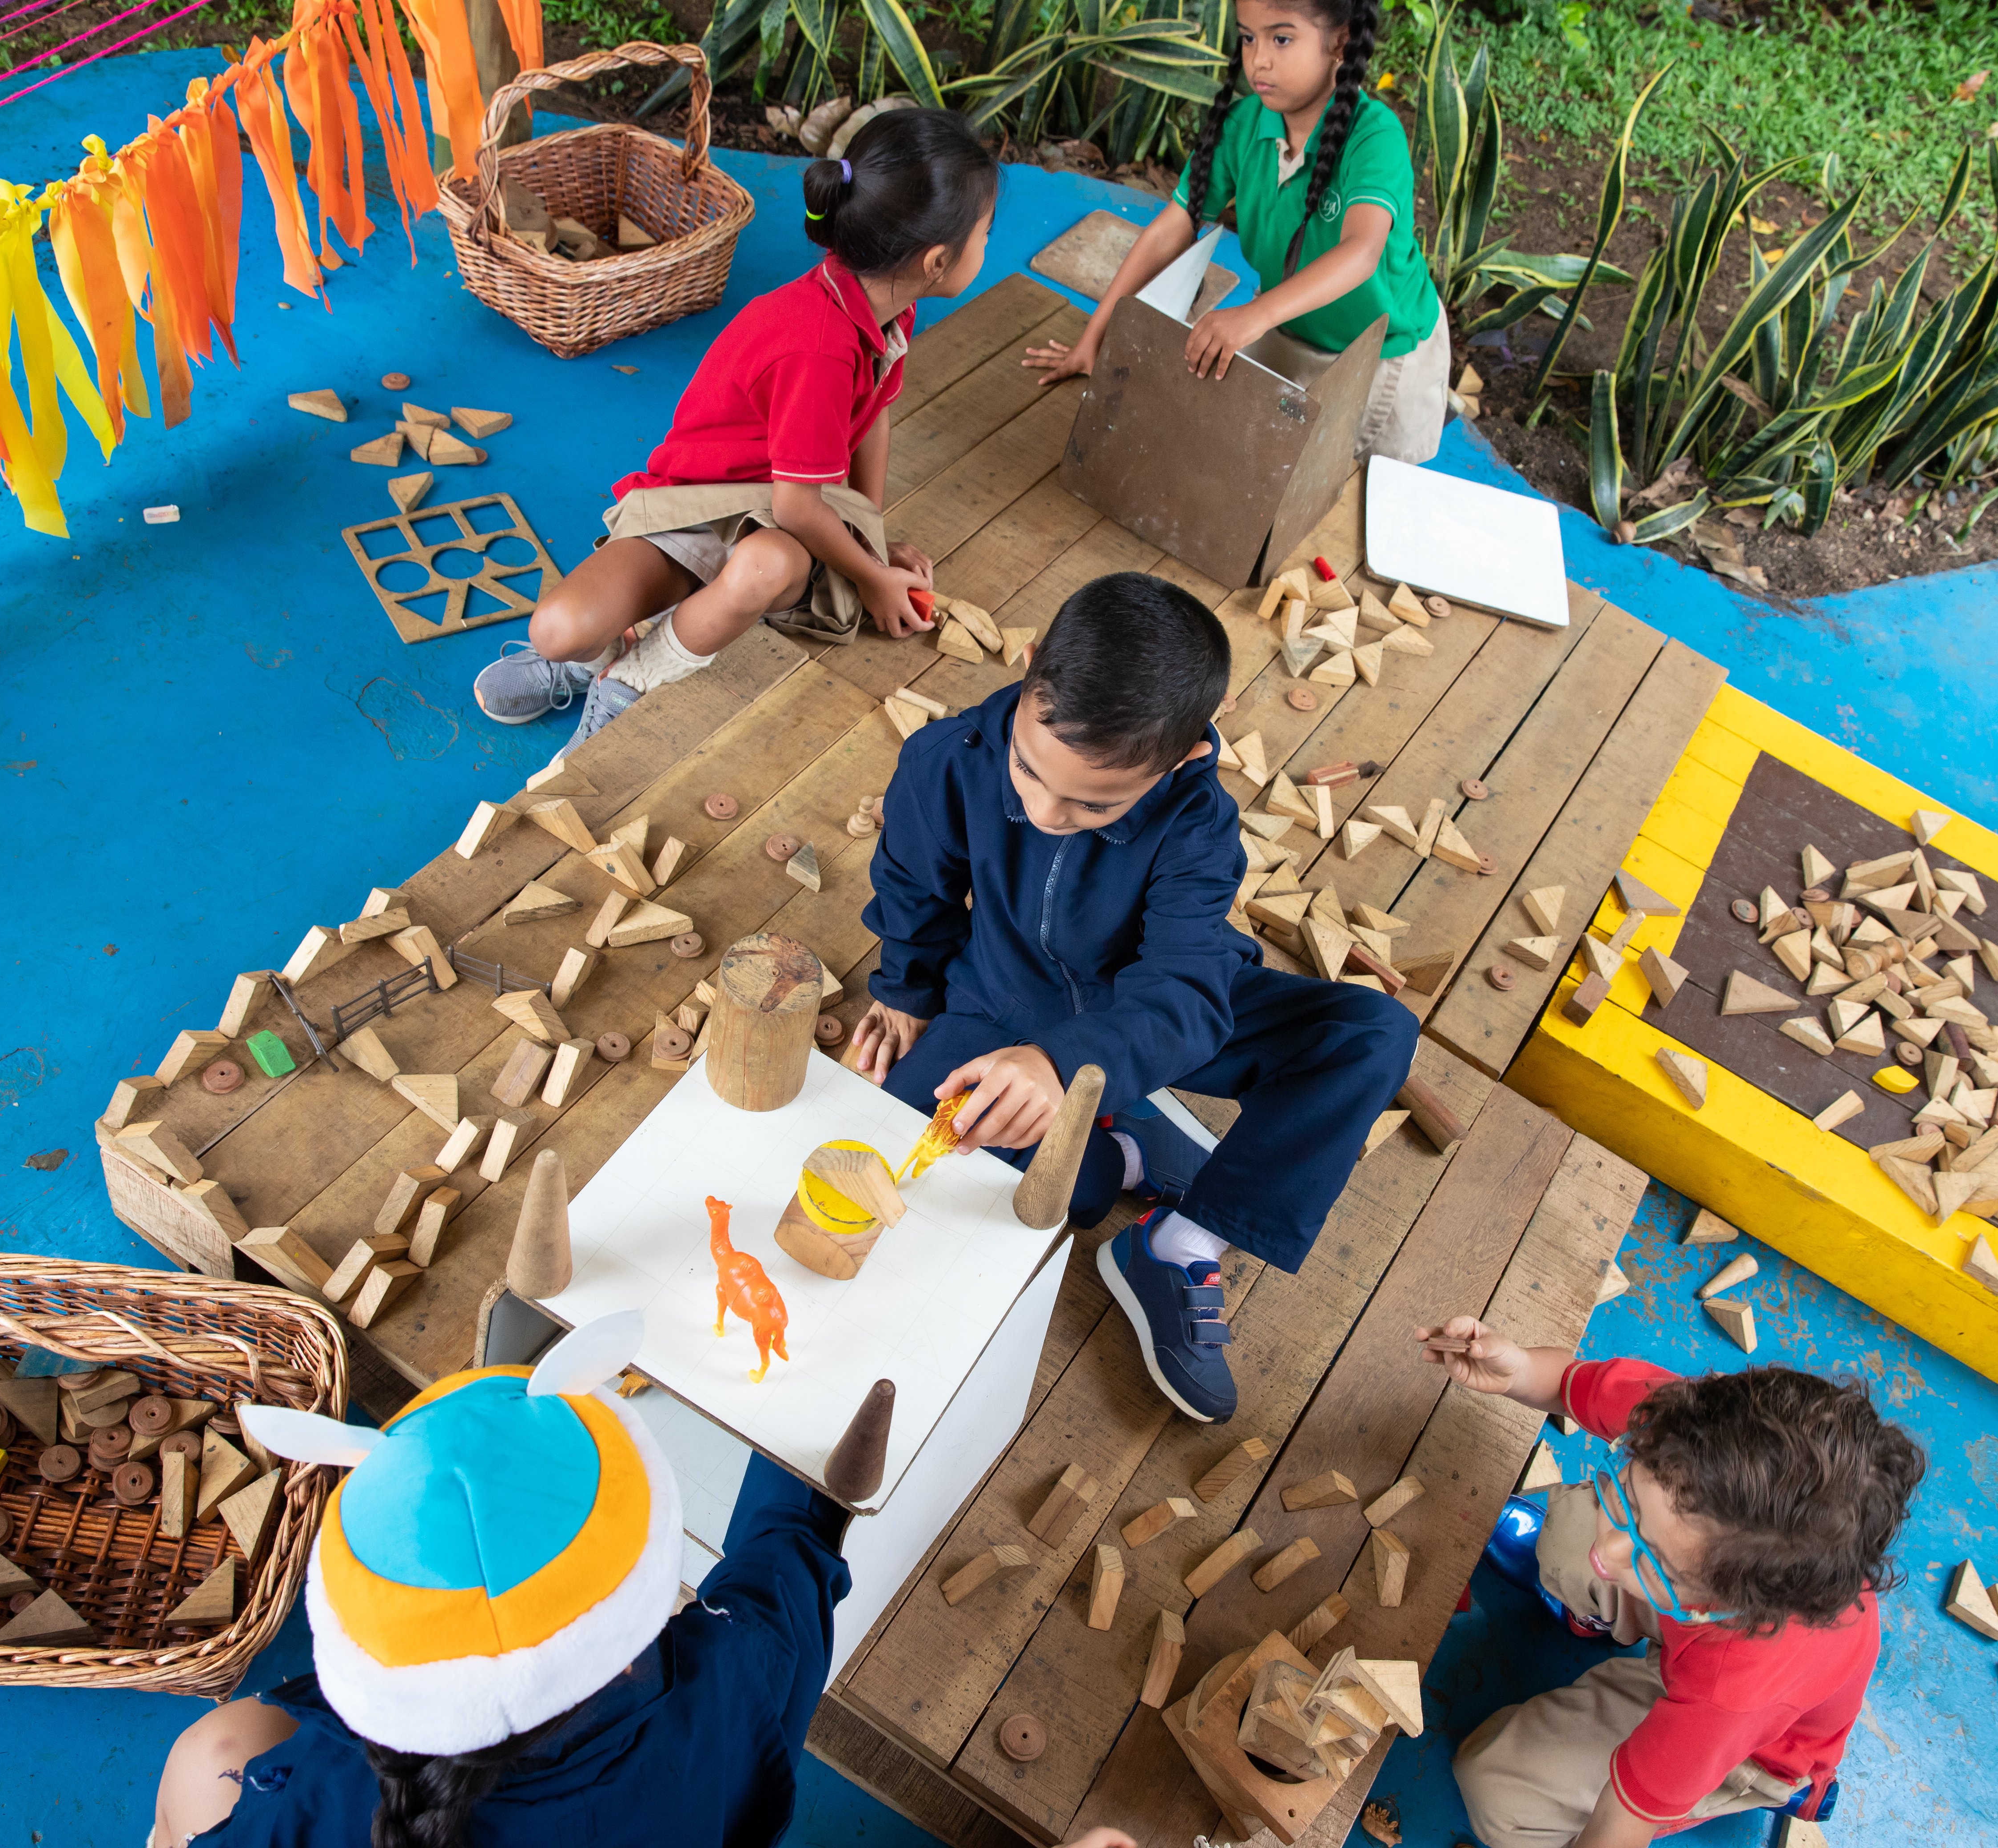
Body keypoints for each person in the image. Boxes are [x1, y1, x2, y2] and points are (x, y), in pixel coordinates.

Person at [852, 571, 1417, 1425]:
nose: (1044, 812)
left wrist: (1065, 1065)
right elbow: (912, 888)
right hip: (999, 1004)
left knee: (1373, 1032)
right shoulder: (947, 758)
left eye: (1093, 803)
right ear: (1034, 668)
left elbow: (1186, 992)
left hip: (1162, 1015)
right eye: (1030, 771)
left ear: (1184, 757)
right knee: (933, 1189)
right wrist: (905, 992)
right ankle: (1119, 1151)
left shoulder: (1197, 822)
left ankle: (1179, 1241)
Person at [146, 1313, 852, 1848]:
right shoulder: (736, 1674)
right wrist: (820, 1351)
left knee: (213, 1752)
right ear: (631, 1611)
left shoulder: (287, 1798)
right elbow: (789, 1547)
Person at [473, 108, 997, 744]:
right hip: (694, 507)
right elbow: (800, 506)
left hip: (772, 526)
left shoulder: (886, 307)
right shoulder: (819, 348)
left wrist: (870, 539)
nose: (989, 243)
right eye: (987, 232)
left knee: (765, 566)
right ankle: (588, 662)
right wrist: (872, 579)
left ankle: (630, 680)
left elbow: (873, 418)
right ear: (938, 260)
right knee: (557, 631)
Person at [1415, 1320, 1924, 1848]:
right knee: (1572, 1534)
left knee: (1498, 1788)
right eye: (1629, 1499)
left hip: (1752, 1741)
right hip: (1700, 1637)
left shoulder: (1730, 1693)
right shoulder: (1690, 1434)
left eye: (1653, 1559)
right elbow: (1567, 1381)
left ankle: (1763, 1788)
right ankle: (1609, 1605)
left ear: (1732, 1606)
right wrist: (1517, 1367)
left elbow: (1620, 1826)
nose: (1607, 1553)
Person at [1022, 0, 1449, 465]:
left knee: (1354, 504)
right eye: (1249, 37)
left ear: (1340, 42)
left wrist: (1255, 314)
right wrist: (1096, 335)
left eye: (1281, 39)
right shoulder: (1243, 125)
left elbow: (1361, 253)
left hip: (1379, 361)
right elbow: (1174, 227)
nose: (1258, 59)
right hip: (1285, 330)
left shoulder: (1374, 135)